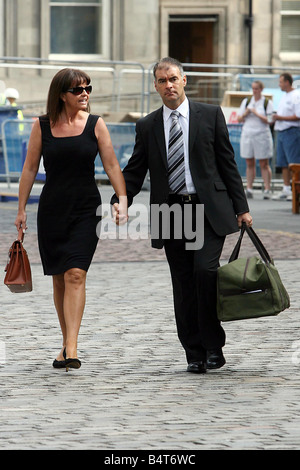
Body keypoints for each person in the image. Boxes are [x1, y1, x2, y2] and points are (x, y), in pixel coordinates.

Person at [111, 57, 252, 374]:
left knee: (205, 272)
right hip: (170, 211)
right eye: (162, 81)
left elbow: (227, 164)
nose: (168, 85)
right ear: (156, 86)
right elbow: (135, 171)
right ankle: (194, 352)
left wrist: (241, 207)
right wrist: (121, 199)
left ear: (184, 80)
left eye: (173, 78)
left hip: (207, 209)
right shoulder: (147, 125)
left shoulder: (209, 115)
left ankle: (213, 345)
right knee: (183, 283)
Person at [15, 68, 128, 371]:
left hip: (85, 210)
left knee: (75, 274)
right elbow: (28, 169)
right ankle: (66, 343)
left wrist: (123, 200)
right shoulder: (42, 126)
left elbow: (113, 165)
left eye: (88, 88)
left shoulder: (96, 125)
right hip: (52, 209)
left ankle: (73, 347)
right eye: (78, 90)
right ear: (61, 95)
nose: (85, 94)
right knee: (59, 279)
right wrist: (21, 208)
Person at [237, 80, 273, 200]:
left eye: (256, 88)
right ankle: (249, 188)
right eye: (253, 88)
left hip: (262, 134)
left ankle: (267, 189)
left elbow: (270, 120)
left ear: (261, 89)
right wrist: (246, 113)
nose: (254, 91)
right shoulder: (247, 101)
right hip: (248, 133)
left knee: (264, 163)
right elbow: (239, 119)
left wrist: (256, 113)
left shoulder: (267, 102)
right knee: (249, 162)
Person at [272, 73, 300, 200]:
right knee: (283, 162)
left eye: (281, 82)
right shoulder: (285, 96)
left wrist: (279, 117)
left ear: (287, 82)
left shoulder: (296, 95)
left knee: (293, 162)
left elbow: (298, 115)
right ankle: (286, 189)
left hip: (292, 131)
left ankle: (295, 189)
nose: (279, 84)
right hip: (282, 131)